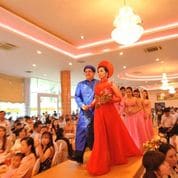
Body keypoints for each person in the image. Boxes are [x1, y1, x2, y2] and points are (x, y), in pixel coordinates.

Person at [86, 60, 141, 176]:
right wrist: (90, 105)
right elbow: (96, 98)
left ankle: (115, 157)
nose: (99, 73)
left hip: (109, 112)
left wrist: (109, 100)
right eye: (99, 71)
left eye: (102, 71)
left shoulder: (111, 84)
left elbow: (119, 97)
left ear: (107, 73)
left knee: (112, 134)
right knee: (100, 136)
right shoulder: (97, 85)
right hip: (99, 112)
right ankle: (101, 161)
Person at [72, 65, 98, 164]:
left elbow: (99, 95)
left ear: (93, 73)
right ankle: (78, 156)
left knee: (93, 134)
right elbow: (77, 96)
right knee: (80, 133)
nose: (87, 73)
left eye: (89, 71)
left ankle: (96, 156)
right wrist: (82, 105)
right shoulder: (80, 84)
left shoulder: (97, 83)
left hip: (95, 112)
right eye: (86, 71)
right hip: (83, 113)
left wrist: (92, 104)